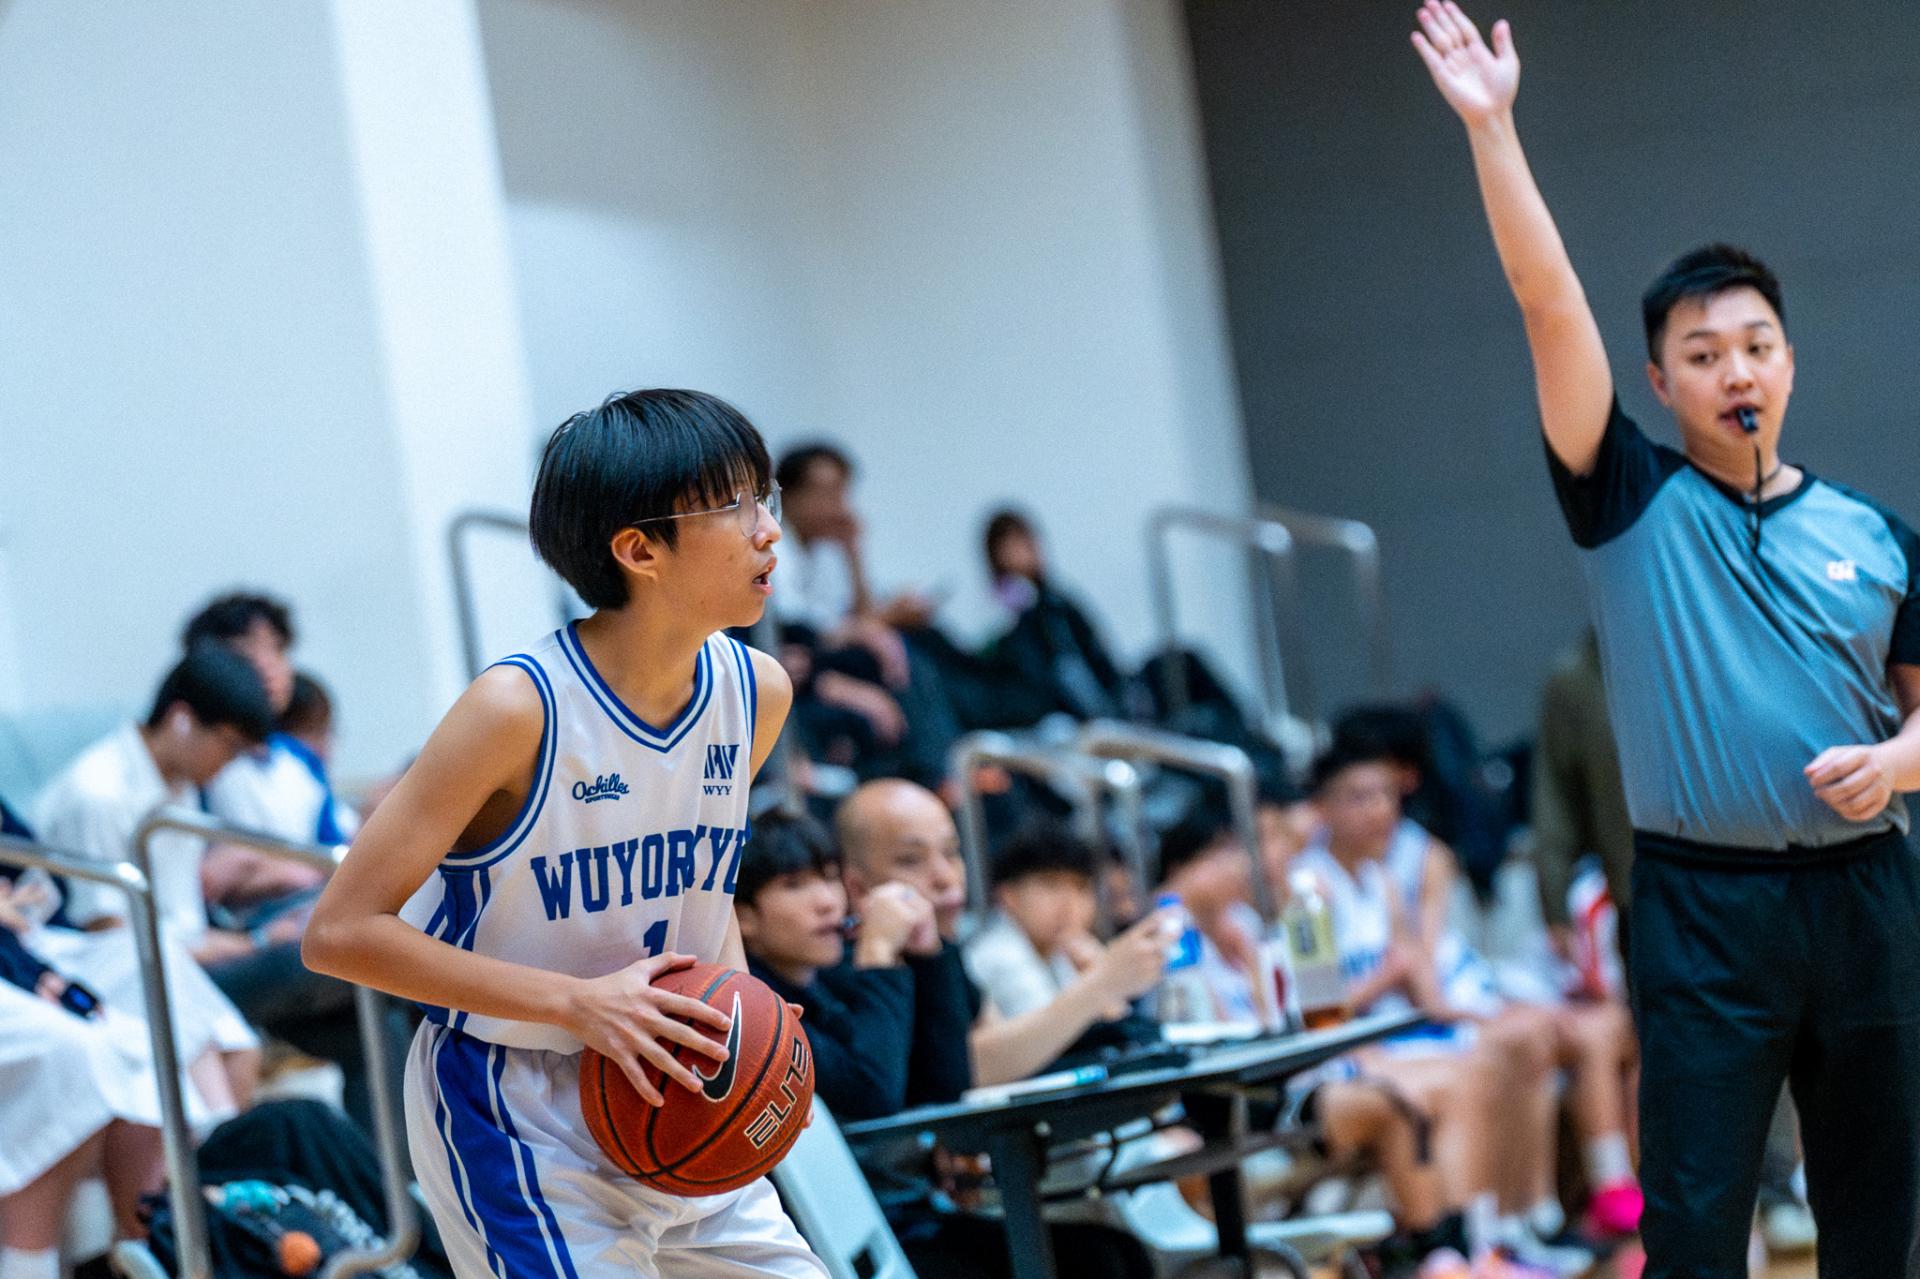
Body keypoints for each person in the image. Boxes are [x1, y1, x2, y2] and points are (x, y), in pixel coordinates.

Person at [1412, 6, 1920, 1274]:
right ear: (1661, 384)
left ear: (1790, 362)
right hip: (1701, 903)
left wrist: (1904, 765)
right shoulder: (1629, 495)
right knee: (1696, 1219)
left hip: (1869, 894)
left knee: (1879, 1212)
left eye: (1754, 345)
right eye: (1702, 354)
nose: (1733, 369)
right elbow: (1547, 303)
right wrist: (1494, 128)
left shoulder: (1878, 534)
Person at [304, 389, 824, 1278]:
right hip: (519, 1107)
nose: (767, 529)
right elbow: (339, 934)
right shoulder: (516, 709)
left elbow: (704, 896)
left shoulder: (755, 690)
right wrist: (575, 1003)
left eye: (764, 497)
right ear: (638, 549)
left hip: (675, 1080)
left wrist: (750, 1026)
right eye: (733, 505)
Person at [32, 644, 270, 1105]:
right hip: (112, 968)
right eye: (230, 746)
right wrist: (252, 945)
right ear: (182, 719)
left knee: (248, 1048)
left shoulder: (177, 788)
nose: (230, 764)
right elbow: (112, 932)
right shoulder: (98, 793)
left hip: (178, 954)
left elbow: (179, 922)